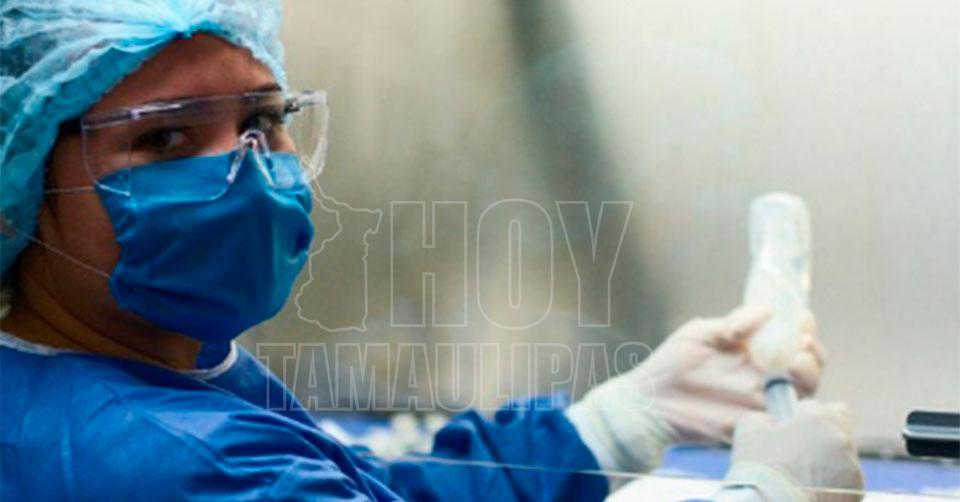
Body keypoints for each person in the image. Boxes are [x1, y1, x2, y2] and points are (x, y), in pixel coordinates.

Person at [0, 1, 863, 500]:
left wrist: (617, 421)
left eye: (263, 120)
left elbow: (365, 489)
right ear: (21, 182)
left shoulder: (127, 375)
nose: (249, 176)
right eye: (165, 140)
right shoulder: (176, 462)